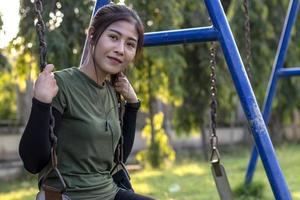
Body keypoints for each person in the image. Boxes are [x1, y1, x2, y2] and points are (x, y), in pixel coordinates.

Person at [19, 3, 154, 200]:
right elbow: (33, 162)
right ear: (92, 35)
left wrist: (132, 105)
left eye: (130, 44)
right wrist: (41, 103)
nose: (120, 50)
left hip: (109, 193)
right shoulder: (61, 85)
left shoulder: (112, 92)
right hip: (70, 195)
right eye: (113, 37)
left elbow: (118, 159)